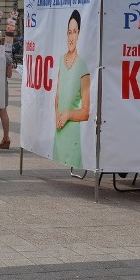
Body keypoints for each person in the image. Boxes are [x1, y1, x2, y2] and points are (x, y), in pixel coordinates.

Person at [53, 10, 90, 167]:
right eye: (69, 32)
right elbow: (57, 96)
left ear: (79, 34)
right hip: (59, 131)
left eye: (75, 32)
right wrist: (57, 116)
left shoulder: (82, 65)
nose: (71, 36)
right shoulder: (61, 60)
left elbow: (86, 111)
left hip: (73, 134)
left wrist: (68, 114)